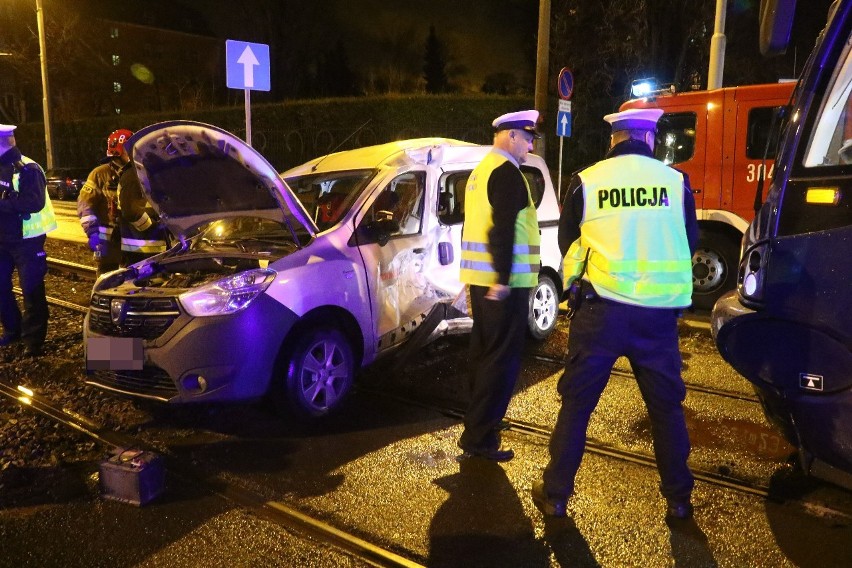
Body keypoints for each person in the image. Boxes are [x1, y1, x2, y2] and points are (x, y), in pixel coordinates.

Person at [531, 108, 699, 519]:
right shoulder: (676, 183)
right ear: (651, 140)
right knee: (666, 408)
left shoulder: (588, 180)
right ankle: (678, 500)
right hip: (657, 317)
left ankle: (555, 494)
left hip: (601, 312)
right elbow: (689, 239)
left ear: (614, 139)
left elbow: (570, 239)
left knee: (577, 404)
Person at [457, 109, 541, 463]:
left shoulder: (480, 171)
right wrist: (502, 281)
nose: (531, 145)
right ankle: (480, 436)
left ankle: (479, 426)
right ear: (511, 137)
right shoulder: (507, 173)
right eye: (528, 138)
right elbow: (500, 230)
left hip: (483, 281)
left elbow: (473, 226)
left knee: (483, 355)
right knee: (500, 362)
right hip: (504, 284)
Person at [0, 124, 57, 357]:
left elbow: (33, 203)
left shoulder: (28, 169)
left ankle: (33, 342)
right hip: (3, 240)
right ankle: (13, 330)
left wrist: (3, 203)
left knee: (31, 290)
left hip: (27, 240)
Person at [77, 129, 132, 275]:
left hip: (134, 242)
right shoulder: (100, 174)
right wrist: (92, 233)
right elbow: (85, 205)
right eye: (129, 150)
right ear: (117, 152)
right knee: (106, 281)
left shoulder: (138, 173)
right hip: (108, 243)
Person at [116, 160, 169, 265]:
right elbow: (130, 211)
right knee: (152, 278)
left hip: (144, 249)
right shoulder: (134, 174)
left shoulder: (137, 172)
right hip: (146, 249)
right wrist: (151, 226)